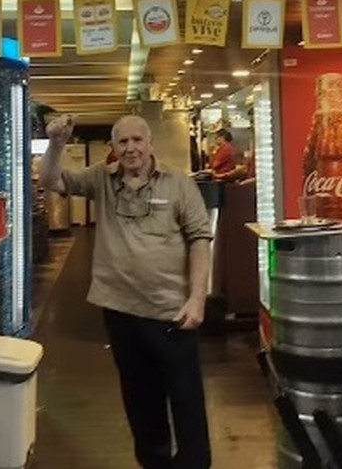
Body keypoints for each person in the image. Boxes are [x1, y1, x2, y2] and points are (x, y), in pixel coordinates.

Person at [41, 114, 213, 469]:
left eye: (137, 140)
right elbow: (51, 179)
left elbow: (199, 239)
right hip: (120, 310)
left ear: (150, 144)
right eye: (123, 142)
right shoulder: (101, 180)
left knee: (186, 400)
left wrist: (197, 298)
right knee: (139, 399)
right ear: (113, 149)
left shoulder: (178, 184)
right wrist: (57, 144)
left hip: (172, 312)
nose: (131, 148)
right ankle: (154, 463)